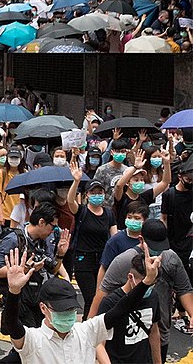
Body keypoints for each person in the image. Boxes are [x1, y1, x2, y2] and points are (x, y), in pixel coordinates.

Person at [0, 241, 161, 364]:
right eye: (62, 311)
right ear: (43, 308)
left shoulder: (87, 332)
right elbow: (12, 324)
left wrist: (146, 282)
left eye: (71, 310)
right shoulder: (33, 341)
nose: (68, 315)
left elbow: (120, 309)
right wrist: (14, 292)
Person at [89, 219, 193, 361]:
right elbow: (101, 295)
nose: (157, 251)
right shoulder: (124, 261)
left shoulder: (171, 259)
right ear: (141, 240)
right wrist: (89, 329)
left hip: (158, 333)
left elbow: (184, 288)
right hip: (123, 341)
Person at [66, 164, 117, 319]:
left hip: (102, 261)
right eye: (93, 192)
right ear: (87, 195)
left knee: (102, 297)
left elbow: (114, 237)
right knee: (90, 298)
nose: (97, 195)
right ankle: (87, 329)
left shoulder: (108, 213)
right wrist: (76, 181)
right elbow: (70, 201)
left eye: (100, 192)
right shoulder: (81, 211)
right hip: (83, 260)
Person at [96, 254, 162, 364]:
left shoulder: (153, 297)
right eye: (145, 283)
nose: (148, 288)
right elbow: (99, 343)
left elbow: (154, 331)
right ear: (130, 277)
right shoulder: (110, 303)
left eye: (152, 284)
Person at [161, 157, 193, 333]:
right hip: (176, 242)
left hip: (191, 244)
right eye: (188, 179)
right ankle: (181, 314)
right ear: (180, 176)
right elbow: (164, 218)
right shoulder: (170, 195)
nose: (191, 182)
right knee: (182, 281)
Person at [113, 148, 170, 229]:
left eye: (142, 180)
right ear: (127, 182)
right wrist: (135, 167)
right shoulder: (122, 197)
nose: (139, 182)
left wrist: (167, 163)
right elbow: (119, 186)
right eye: (136, 180)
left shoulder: (144, 197)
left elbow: (165, 182)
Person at [0, 146, 27, 228]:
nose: (14, 160)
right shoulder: (1, 173)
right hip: (6, 215)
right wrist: (0, 214)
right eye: (11, 157)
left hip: (21, 215)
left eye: (16, 158)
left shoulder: (25, 173)